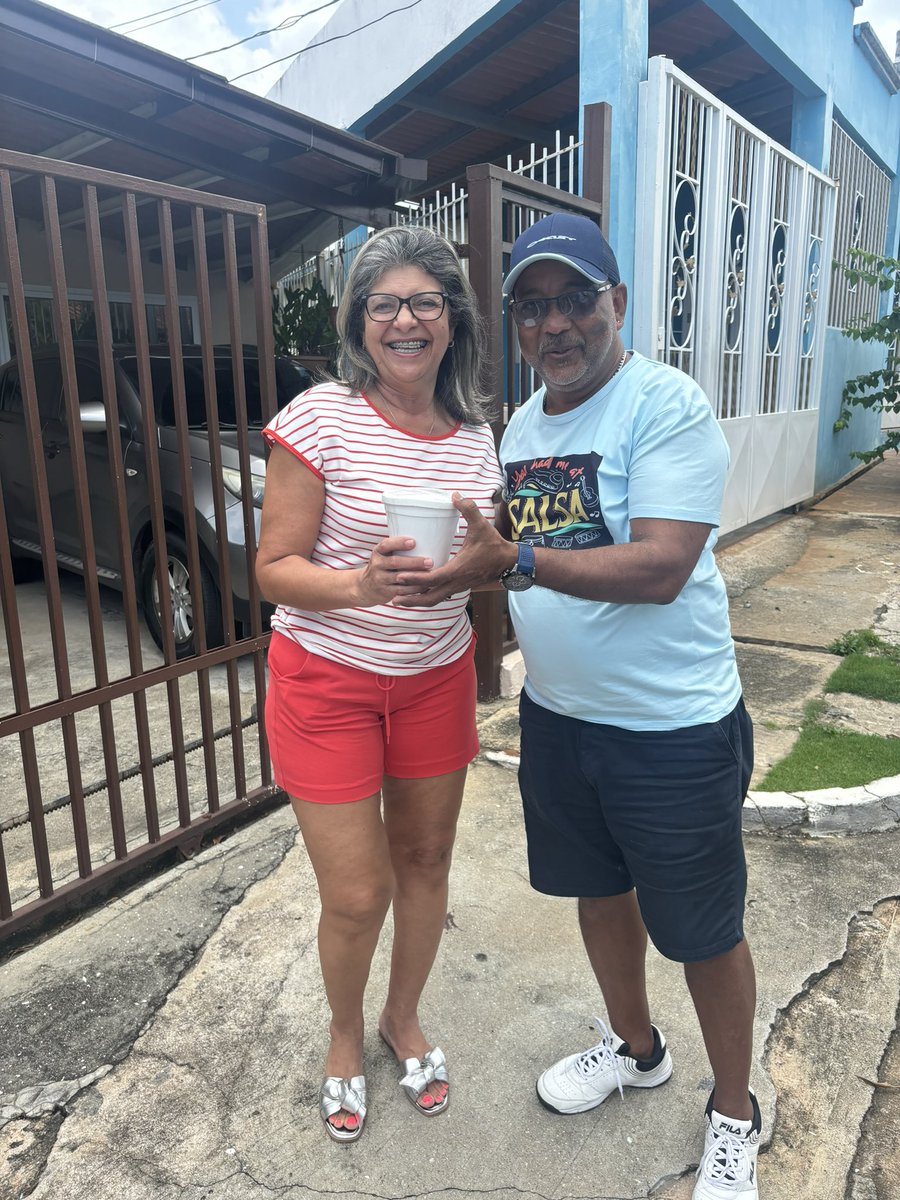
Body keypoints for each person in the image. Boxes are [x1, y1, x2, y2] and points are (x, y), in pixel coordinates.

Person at [393, 212, 761, 1198]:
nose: (554, 324)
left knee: (702, 930)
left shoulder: (665, 404)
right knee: (600, 896)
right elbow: (511, 547)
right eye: (531, 308)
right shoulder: (521, 427)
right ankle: (638, 1050)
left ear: (617, 304)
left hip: (672, 730)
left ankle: (734, 1112)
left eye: (574, 300)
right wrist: (452, 567)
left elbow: (661, 566)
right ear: (515, 325)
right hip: (559, 720)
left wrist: (513, 558)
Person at [256, 225, 503, 1143]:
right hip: (328, 682)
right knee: (358, 893)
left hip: (434, 677)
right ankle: (343, 1035)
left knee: (427, 861)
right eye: (384, 304)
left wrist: (481, 566)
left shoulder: (478, 437)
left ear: (452, 318)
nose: (405, 321)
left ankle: (403, 1018)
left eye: (425, 302)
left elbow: (483, 562)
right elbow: (272, 569)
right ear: (358, 321)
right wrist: (360, 586)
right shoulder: (319, 417)